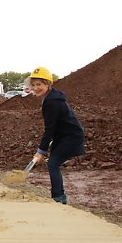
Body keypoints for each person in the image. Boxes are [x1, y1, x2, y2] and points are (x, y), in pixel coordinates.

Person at [28, 66, 86, 204]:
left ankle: (58, 198)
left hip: (71, 136)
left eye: (39, 84)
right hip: (64, 135)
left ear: (48, 84)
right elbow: (53, 128)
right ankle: (58, 196)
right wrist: (45, 149)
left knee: (53, 164)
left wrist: (41, 151)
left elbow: (49, 129)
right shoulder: (51, 98)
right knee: (53, 162)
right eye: (34, 85)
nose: (36, 88)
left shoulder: (52, 102)